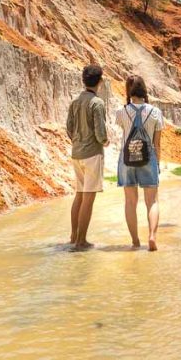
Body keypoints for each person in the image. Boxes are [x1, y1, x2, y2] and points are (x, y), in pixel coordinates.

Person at [115, 75, 164, 251]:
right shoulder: (156, 112)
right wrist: (157, 164)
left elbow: (123, 129)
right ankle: (152, 236)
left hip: (127, 159)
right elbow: (157, 144)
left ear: (129, 91)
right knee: (152, 201)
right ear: (144, 89)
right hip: (148, 157)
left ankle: (135, 241)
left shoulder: (121, 112)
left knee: (130, 202)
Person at [65, 64, 108, 251]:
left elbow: (69, 127)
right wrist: (104, 141)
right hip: (92, 154)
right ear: (100, 81)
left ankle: (74, 236)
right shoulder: (97, 103)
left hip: (77, 153)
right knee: (88, 199)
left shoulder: (75, 101)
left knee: (79, 196)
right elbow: (100, 132)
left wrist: (77, 140)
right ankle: (82, 241)